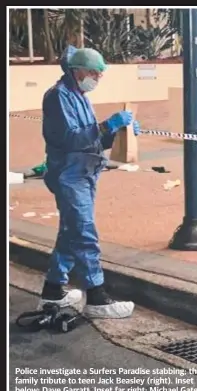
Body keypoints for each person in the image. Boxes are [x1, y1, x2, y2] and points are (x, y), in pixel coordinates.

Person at [39, 46, 140, 319]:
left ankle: (53, 289)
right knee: (84, 233)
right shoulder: (58, 96)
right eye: (94, 72)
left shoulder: (78, 96)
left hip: (83, 173)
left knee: (71, 231)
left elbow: (91, 139)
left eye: (100, 73)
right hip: (69, 175)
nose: (97, 77)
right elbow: (70, 138)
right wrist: (107, 126)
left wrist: (117, 132)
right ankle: (97, 297)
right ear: (77, 70)